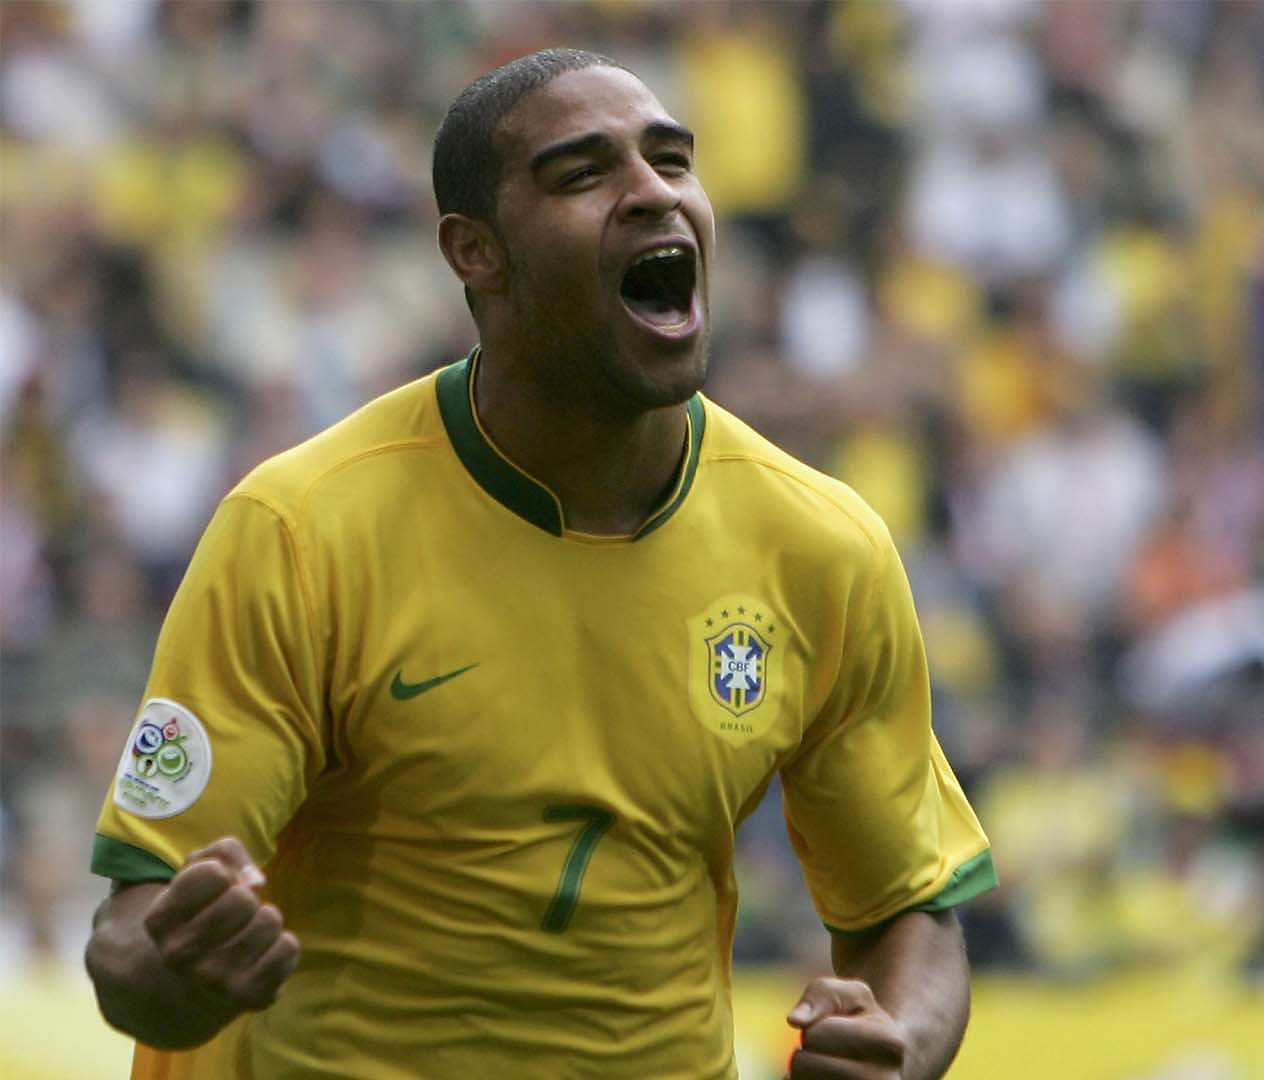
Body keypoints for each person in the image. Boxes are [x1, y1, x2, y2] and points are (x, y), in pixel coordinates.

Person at [82, 48, 995, 1080]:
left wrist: (900, 1045)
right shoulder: (301, 532)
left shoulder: (824, 548)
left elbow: (908, 907)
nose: (655, 193)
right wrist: (171, 969)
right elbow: (132, 934)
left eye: (673, 161)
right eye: (583, 173)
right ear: (476, 251)